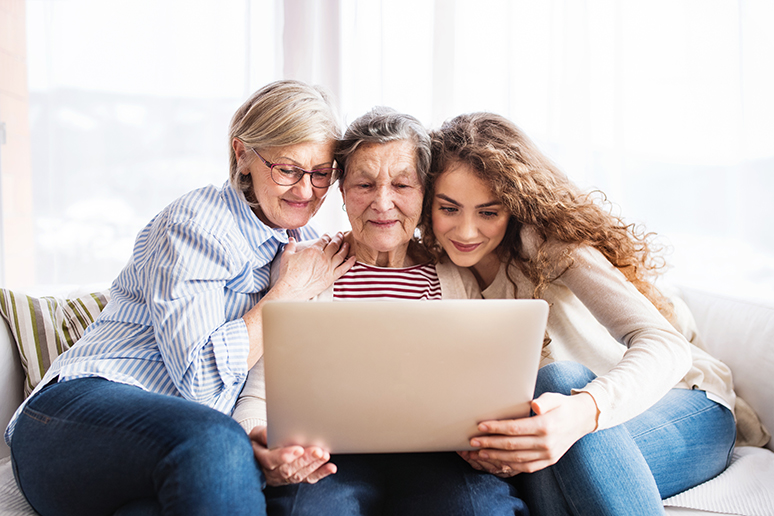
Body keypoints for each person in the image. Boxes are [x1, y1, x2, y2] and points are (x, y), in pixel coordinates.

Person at [5, 79, 357, 516]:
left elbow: (264, 386)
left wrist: (258, 438)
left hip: (180, 448)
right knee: (215, 442)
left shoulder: (307, 246)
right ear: (242, 154)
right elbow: (202, 385)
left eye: (321, 173)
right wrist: (286, 294)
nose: (306, 191)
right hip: (73, 416)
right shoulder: (198, 223)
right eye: (287, 169)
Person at [419, 112, 737, 516]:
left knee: (559, 381)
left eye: (488, 212)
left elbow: (667, 347)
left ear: (515, 208)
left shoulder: (549, 246)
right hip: (560, 436)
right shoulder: (434, 275)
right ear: (427, 205)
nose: (465, 232)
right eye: (449, 209)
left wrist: (583, 411)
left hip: (686, 402)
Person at [233, 107, 528, 516]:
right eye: (364, 184)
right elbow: (258, 396)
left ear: (424, 191)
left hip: (441, 458)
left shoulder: (457, 275)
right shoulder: (304, 268)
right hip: (332, 459)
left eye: (402, 184)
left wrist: (490, 442)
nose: (383, 202)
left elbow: (489, 391)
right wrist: (260, 440)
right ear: (341, 190)